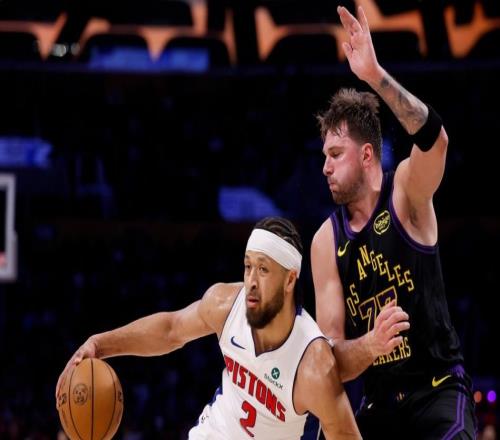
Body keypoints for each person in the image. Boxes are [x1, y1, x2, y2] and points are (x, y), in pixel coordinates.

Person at [311, 5, 477, 439]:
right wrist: (369, 345)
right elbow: (331, 361)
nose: (325, 167)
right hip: (379, 405)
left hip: (438, 389)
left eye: (335, 155)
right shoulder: (325, 241)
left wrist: (374, 76)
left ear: (367, 155)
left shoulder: (404, 191)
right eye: (324, 156)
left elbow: (436, 141)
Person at [56, 217, 361, 440]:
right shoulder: (225, 304)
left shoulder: (312, 364)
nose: (251, 281)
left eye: (263, 269)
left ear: (290, 280)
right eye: (248, 266)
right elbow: (171, 329)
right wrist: (99, 344)